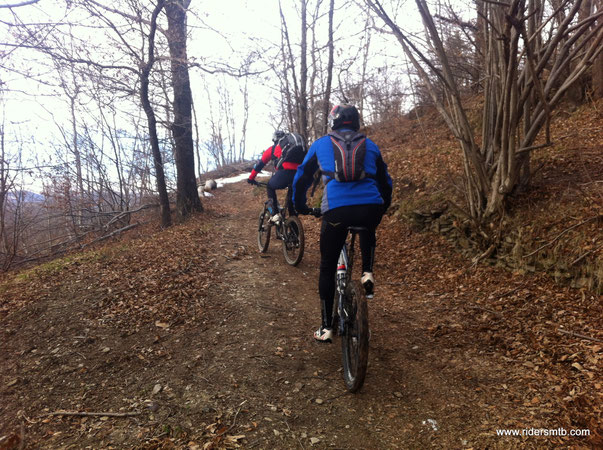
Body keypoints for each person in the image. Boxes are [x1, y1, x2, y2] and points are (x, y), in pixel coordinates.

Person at [293, 104, 392, 343]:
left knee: (327, 265)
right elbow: (386, 182)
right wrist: (382, 207)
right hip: (370, 207)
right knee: (368, 226)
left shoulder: (320, 144)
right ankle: (367, 273)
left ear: (333, 122)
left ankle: (326, 327)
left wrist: (300, 206)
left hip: (336, 211)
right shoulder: (370, 145)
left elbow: (302, 177)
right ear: (356, 122)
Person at [248, 131, 303, 224]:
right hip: (300, 175)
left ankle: (274, 214)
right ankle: (295, 235)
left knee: (270, 186)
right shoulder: (293, 146)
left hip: (286, 173)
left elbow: (259, 164)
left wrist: (251, 178)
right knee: (291, 206)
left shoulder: (273, 149)